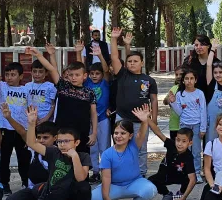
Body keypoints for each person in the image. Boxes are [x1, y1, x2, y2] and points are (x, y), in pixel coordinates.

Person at [22, 107, 95, 200]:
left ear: (76, 142)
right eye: (60, 141)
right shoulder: (53, 152)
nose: (62, 144)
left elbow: (81, 178)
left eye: (66, 141)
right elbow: (31, 143)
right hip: (53, 196)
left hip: (71, 198)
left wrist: (74, 157)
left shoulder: (83, 156)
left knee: (84, 187)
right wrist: (31, 124)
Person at [31, 45, 98, 155]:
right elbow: (52, 69)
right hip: (61, 133)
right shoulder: (63, 86)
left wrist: (94, 133)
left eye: (77, 75)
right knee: (60, 161)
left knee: (80, 161)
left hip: (81, 134)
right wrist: (38, 55)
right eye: (71, 75)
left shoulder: (89, 92)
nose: (73, 77)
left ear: (85, 76)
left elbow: (94, 114)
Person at [91, 107, 158, 200]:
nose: (119, 136)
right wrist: (106, 197)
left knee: (151, 190)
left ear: (130, 136)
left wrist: (144, 121)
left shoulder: (134, 146)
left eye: (123, 133)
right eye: (116, 133)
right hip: (114, 186)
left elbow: (141, 134)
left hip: (134, 183)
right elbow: (106, 178)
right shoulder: (107, 154)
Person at [109, 28, 159, 175]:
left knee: (141, 148)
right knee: (120, 145)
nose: (132, 63)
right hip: (122, 117)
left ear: (142, 63)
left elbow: (154, 100)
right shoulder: (122, 75)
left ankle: (141, 173)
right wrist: (113, 39)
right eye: (129, 61)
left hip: (141, 121)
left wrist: (154, 118)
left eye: (135, 61)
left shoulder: (149, 80)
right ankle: (120, 171)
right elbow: (114, 57)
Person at [0, 48, 32, 193]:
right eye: (7, 74)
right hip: (4, 127)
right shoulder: (2, 86)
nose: (9, 77)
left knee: (23, 157)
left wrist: (32, 128)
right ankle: (4, 184)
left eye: (13, 75)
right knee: (4, 158)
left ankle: (26, 181)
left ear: (21, 76)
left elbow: (30, 109)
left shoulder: (26, 89)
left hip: (21, 129)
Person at [143, 116, 197, 200]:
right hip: (166, 174)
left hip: (180, 175)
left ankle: (181, 194)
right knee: (151, 180)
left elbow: (193, 179)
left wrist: (183, 198)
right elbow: (158, 132)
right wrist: (147, 118)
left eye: (184, 141)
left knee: (190, 179)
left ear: (190, 143)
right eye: (178, 140)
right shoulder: (171, 145)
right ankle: (167, 194)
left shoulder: (188, 157)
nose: (180, 144)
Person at [168, 68, 206, 176]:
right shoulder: (180, 94)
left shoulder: (199, 93)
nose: (189, 81)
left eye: (191, 78)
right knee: (184, 150)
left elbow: (203, 110)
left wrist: (203, 128)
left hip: (197, 125)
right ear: (183, 80)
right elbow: (179, 112)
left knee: (196, 151)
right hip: (184, 125)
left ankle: (197, 173)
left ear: (195, 80)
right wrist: (173, 103)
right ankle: (186, 172)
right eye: (186, 78)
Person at [84, 48, 111, 181]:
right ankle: (95, 172)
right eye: (92, 73)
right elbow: (80, 68)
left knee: (104, 147)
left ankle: (106, 171)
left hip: (103, 118)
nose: (94, 76)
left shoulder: (105, 83)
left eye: (97, 73)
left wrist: (100, 55)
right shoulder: (87, 83)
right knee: (92, 147)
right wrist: (79, 52)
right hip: (89, 120)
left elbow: (106, 70)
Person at [181, 35, 216, 102]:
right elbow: (183, 79)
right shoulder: (189, 61)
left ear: (208, 46)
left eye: (202, 44)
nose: (198, 47)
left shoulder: (215, 62)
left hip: (211, 98)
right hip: (191, 99)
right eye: (196, 45)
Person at [24, 53, 57, 124]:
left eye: (41, 72)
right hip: (31, 119)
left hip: (46, 120)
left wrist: (46, 118)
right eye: (34, 71)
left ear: (46, 73)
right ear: (31, 72)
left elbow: (53, 105)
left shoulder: (50, 86)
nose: (37, 74)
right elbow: (26, 103)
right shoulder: (27, 86)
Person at [204, 59, 222, 141]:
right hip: (212, 123)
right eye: (215, 73)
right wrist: (212, 51)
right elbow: (208, 65)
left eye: (220, 72)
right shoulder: (211, 84)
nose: (218, 75)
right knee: (210, 143)